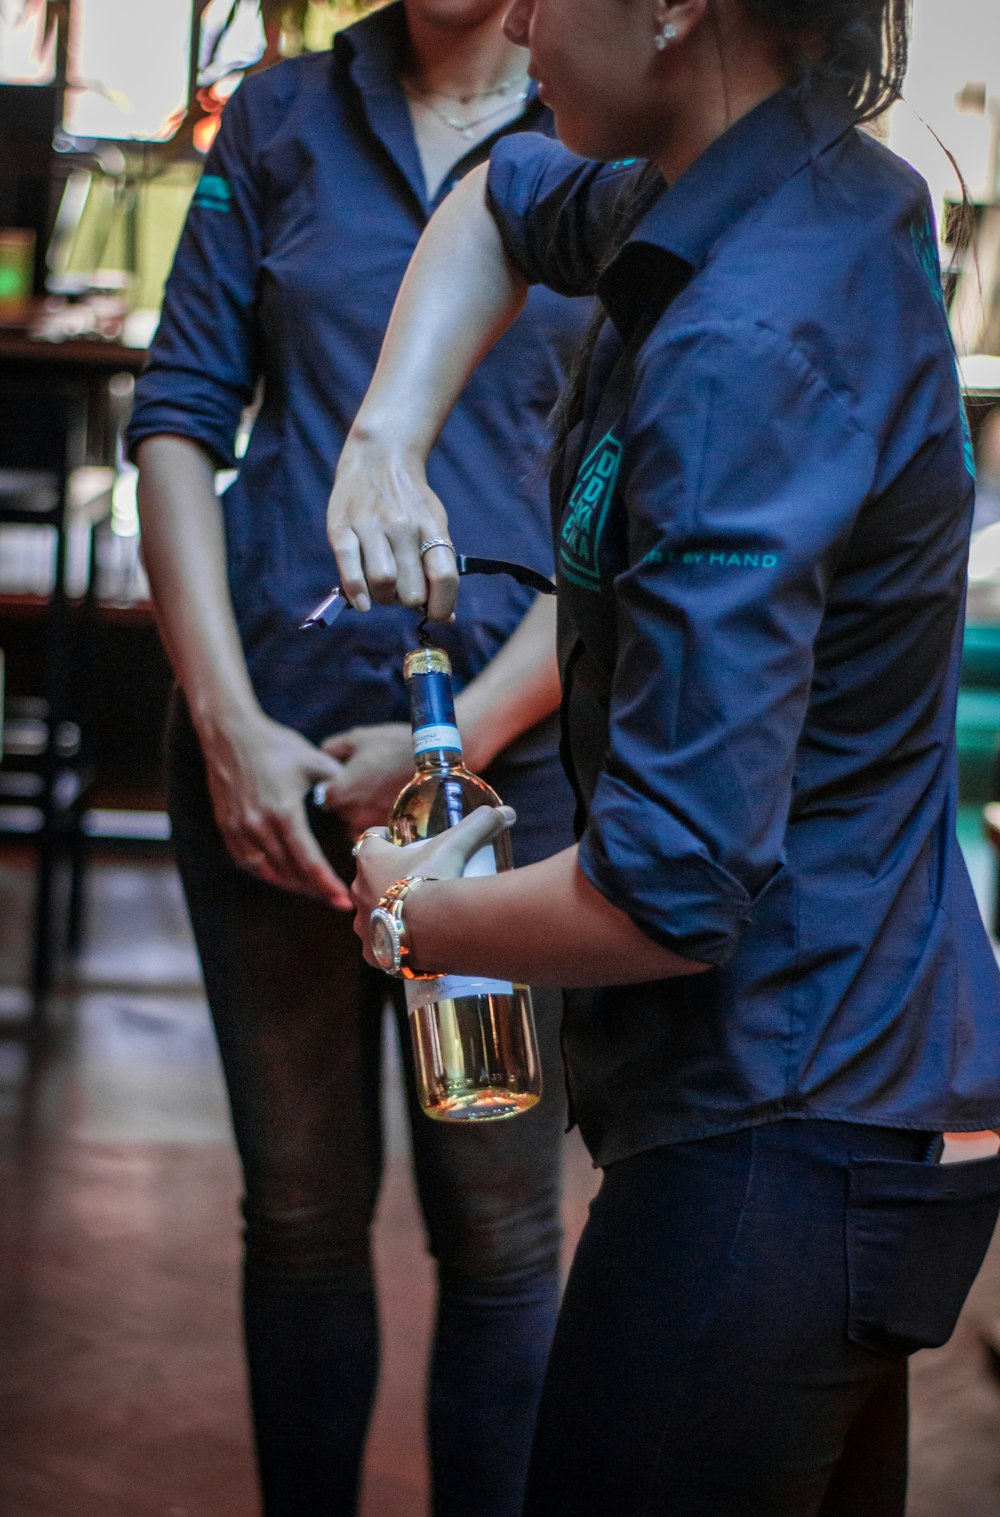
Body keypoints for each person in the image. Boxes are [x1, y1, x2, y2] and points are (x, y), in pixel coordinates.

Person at [331, 0, 1000, 1512]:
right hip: (852, 1081)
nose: (511, 14)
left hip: (783, 1119)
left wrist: (410, 915)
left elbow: (670, 885)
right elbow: (500, 200)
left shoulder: (747, 340)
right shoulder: (763, 184)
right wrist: (388, 431)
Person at [126, 4, 584, 1514]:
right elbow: (181, 419)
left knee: (506, 1235)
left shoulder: (607, 123)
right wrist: (226, 727)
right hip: (281, 778)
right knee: (305, 1218)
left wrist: (466, 742)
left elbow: (642, 499)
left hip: (505, 785)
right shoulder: (276, 116)